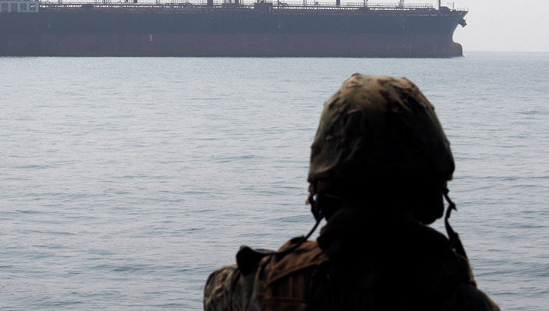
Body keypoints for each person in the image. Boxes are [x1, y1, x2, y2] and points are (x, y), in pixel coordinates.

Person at [203, 74, 498, 311]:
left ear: (322, 196)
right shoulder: (461, 300)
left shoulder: (264, 285)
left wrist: (282, 263)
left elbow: (215, 289)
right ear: (432, 196)